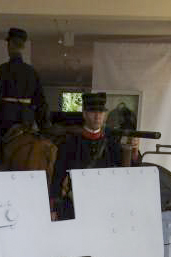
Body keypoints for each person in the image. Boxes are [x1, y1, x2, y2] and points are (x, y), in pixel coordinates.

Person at [50, 92, 136, 220]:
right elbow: (57, 178)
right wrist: (54, 208)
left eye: (101, 112)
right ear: (85, 114)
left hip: (104, 207)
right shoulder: (69, 144)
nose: (97, 117)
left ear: (105, 115)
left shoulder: (112, 144)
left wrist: (133, 150)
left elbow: (128, 171)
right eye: (92, 112)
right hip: (75, 206)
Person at [0, 28, 48, 144]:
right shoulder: (32, 72)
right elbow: (40, 101)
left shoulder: (2, 69)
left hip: (6, 119)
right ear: (23, 47)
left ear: (9, 45)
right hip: (27, 120)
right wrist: (45, 126)